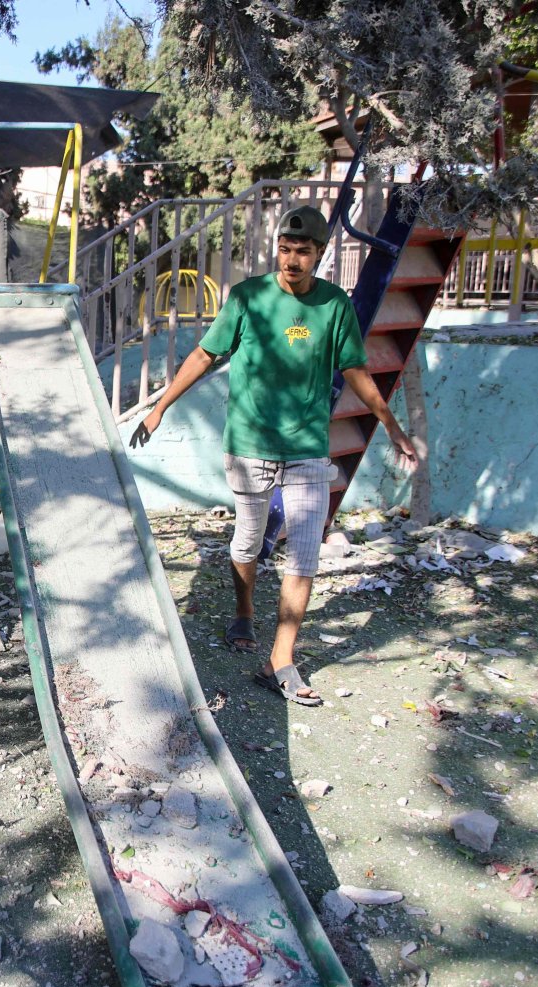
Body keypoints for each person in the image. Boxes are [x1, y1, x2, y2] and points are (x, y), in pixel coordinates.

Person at [126, 205, 417, 705]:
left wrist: (390, 424)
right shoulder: (247, 298)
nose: (292, 260)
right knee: (248, 539)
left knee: (304, 553)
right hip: (249, 446)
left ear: (320, 255)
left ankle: (281, 659)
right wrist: (160, 407)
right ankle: (244, 610)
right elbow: (204, 354)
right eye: (285, 249)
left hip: (306, 448)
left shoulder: (335, 306)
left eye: (303, 251)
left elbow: (354, 371)